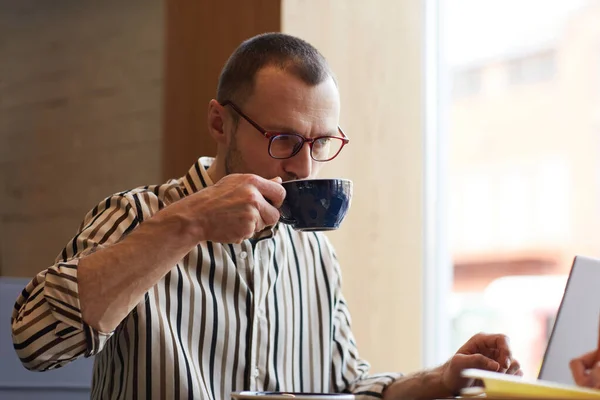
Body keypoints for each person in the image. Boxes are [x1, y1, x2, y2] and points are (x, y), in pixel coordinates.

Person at [11, 32, 522, 400]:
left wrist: (444, 378)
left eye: (320, 143)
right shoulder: (135, 216)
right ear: (220, 122)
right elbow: (33, 341)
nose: (302, 166)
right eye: (283, 140)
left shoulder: (313, 253)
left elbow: (345, 387)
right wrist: (187, 225)